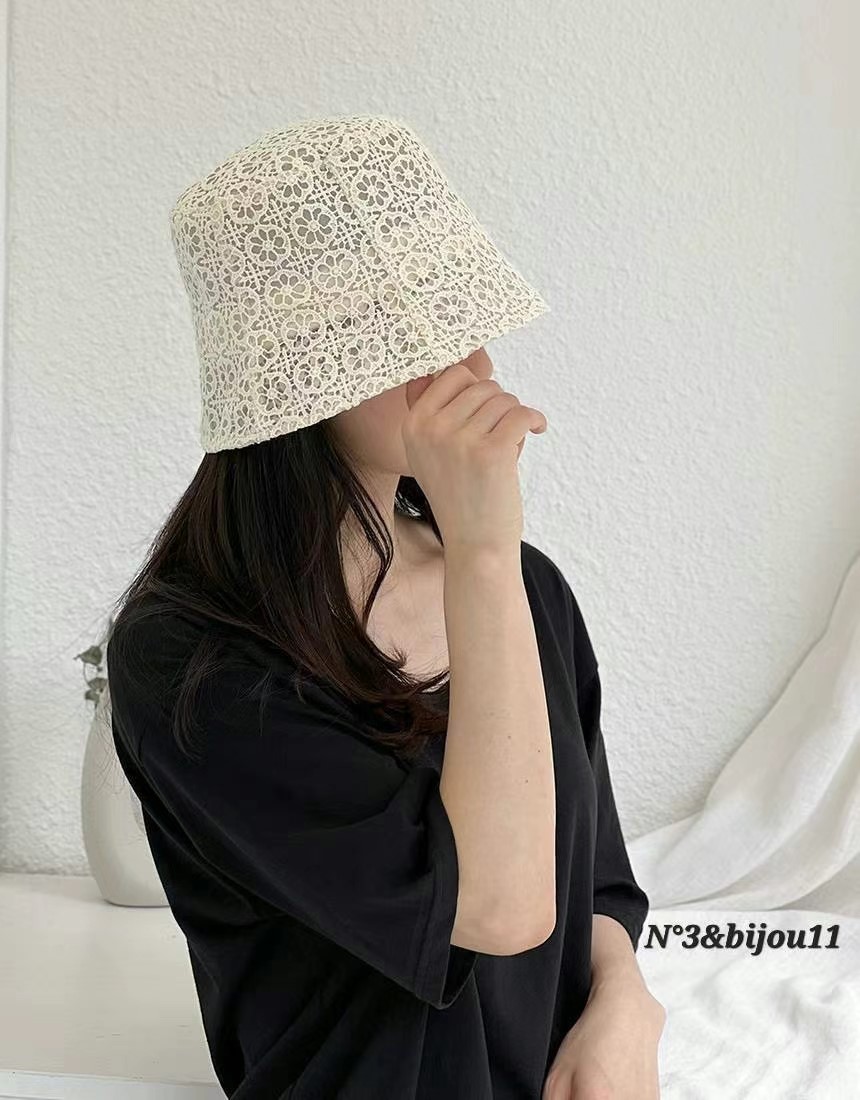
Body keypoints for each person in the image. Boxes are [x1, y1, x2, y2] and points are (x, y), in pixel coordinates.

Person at [107, 115, 665, 1099]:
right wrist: (480, 553)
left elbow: (594, 877)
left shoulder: (525, 589)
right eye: (412, 338)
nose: (474, 370)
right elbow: (496, 911)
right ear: (301, 371)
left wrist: (625, 1001)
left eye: (460, 322)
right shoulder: (190, 660)